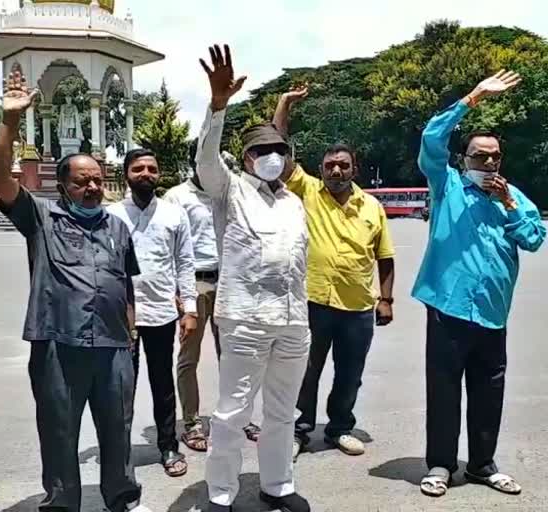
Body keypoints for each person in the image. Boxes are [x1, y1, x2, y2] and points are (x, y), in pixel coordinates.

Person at [0, 68, 149, 512]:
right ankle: (62, 502)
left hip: (115, 346)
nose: (92, 186)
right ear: (63, 185)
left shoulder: (117, 226)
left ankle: (123, 498)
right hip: (59, 344)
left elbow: (125, 283)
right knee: (59, 428)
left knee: (118, 426)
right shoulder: (41, 219)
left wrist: (132, 332)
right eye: (81, 180)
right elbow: (1, 178)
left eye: (97, 179)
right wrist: (9, 121)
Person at [414, 70, 545, 498]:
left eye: (493, 157)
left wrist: (509, 205)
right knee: (445, 389)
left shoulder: (513, 195)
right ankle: (440, 464)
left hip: (492, 314)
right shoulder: (447, 185)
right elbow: (432, 140)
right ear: (463, 159)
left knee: (490, 390)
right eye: (478, 156)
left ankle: (483, 465)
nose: (487, 163)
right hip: (448, 309)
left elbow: (533, 239)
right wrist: (472, 98)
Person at [197, 44, 311, 512]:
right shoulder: (230, 189)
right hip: (244, 321)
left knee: (283, 412)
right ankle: (220, 494)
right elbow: (206, 158)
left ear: (287, 158)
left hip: (293, 322)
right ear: (245, 158)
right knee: (232, 413)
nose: (270, 156)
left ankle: (276, 485)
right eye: (260, 150)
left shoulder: (294, 201)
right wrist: (218, 106)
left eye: (278, 151)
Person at [272, 88, 397, 459]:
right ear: (321, 169)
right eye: (330, 166)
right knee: (305, 371)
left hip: (358, 306)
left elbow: (385, 257)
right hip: (312, 302)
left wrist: (386, 299)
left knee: (349, 373)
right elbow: (278, 155)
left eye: (343, 165)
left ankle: (340, 427)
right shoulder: (307, 192)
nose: (336, 170)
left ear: (354, 168)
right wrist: (285, 104)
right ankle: (298, 429)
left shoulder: (372, 206)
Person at [164, 144, 262, 452]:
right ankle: (192, 423)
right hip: (193, 284)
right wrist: (178, 295)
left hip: (229, 283)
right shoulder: (177, 197)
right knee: (189, 357)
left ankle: (239, 417)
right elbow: (169, 249)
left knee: (234, 355)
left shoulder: (229, 192)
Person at [107, 149, 199, 477]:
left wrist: (189, 308)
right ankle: (119, 452)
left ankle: (168, 445)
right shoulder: (112, 214)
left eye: (151, 168)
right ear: (126, 175)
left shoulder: (174, 214)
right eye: (138, 169)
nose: (145, 173)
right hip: (121, 316)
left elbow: (185, 262)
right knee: (120, 387)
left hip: (161, 312)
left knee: (162, 384)